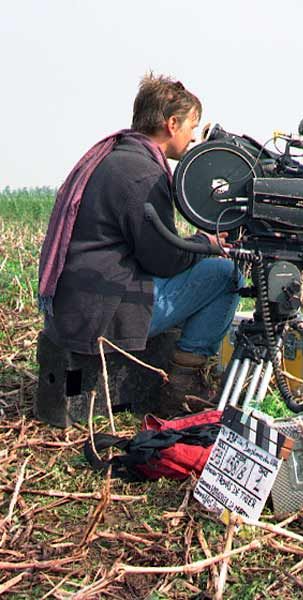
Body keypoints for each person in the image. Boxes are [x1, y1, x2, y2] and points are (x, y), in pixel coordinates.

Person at [38, 73, 242, 415]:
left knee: (205, 272)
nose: (194, 137)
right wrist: (205, 244)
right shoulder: (143, 174)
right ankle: (182, 385)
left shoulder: (114, 156)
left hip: (77, 305)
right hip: (101, 314)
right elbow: (164, 261)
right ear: (171, 123)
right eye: (192, 126)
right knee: (226, 276)